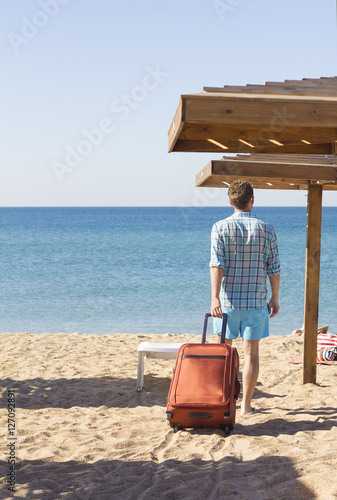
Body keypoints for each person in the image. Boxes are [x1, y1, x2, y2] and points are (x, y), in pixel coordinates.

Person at [210, 180, 280, 416]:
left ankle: (223, 400)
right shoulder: (267, 229)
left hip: (227, 303)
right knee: (251, 354)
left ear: (230, 201)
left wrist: (214, 299)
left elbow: (216, 265)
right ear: (252, 201)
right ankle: (245, 406)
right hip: (255, 302)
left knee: (224, 354)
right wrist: (275, 298)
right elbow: (274, 268)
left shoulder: (219, 227)